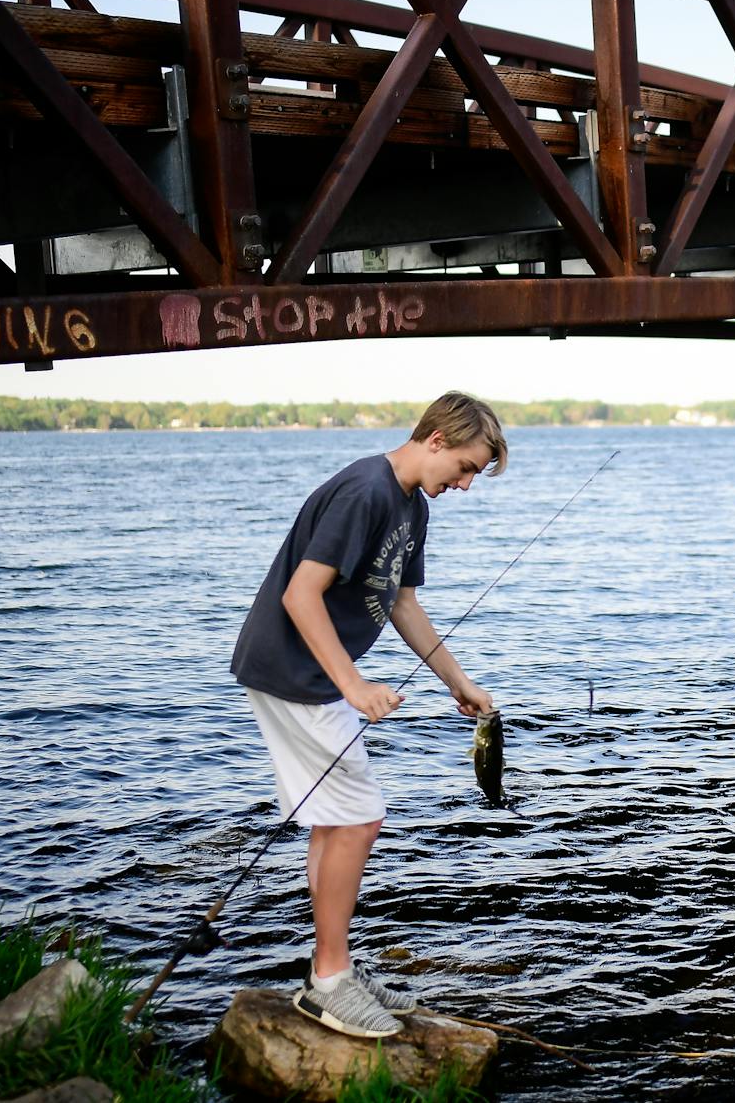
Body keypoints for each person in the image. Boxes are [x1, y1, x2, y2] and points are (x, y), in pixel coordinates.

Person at [231, 391, 507, 1038]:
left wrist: (458, 682)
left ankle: (332, 969)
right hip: (295, 672)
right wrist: (352, 684)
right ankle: (329, 980)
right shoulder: (367, 491)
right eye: (465, 467)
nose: (464, 485)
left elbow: (403, 604)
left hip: (308, 676)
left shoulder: (412, 506)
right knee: (359, 816)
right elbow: (301, 593)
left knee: (338, 818)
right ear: (436, 438)